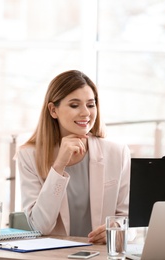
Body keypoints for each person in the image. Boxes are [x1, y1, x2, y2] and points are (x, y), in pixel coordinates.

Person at [16, 70, 131, 244]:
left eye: (91, 105)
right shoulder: (28, 155)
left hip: (100, 255)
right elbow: (39, 226)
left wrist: (117, 228)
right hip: (54, 256)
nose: (86, 113)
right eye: (74, 105)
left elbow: (129, 221)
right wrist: (59, 166)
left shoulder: (117, 153)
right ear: (53, 110)